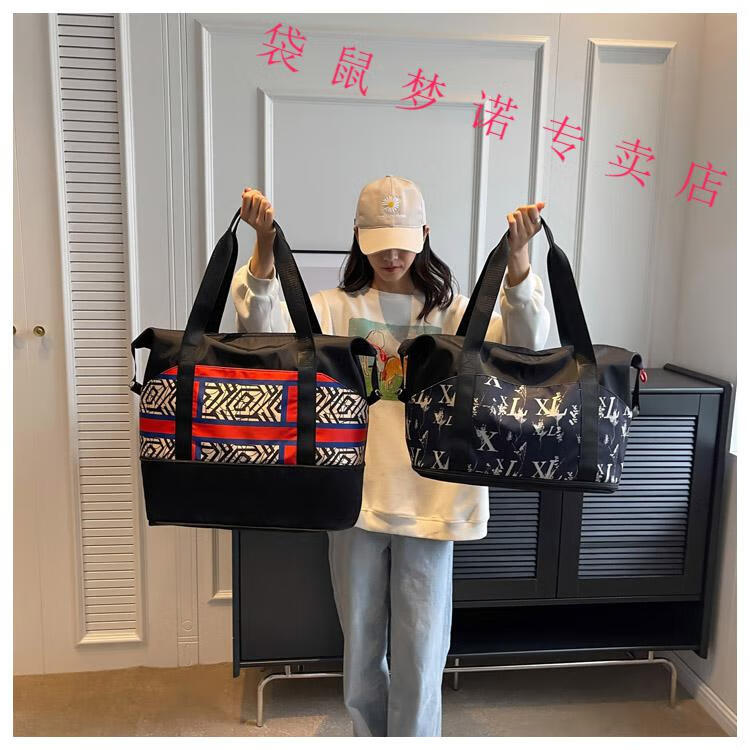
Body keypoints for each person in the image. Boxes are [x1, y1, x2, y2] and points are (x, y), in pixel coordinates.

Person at [230, 175, 551, 737]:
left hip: (435, 495)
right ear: (358, 237)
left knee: (423, 648)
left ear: (424, 235)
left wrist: (519, 261)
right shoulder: (332, 309)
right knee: (360, 644)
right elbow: (263, 337)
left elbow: (525, 348)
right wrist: (262, 249)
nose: (393, 256)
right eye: (379, 244)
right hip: (353, 494)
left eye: (402, 242)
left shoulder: (457, 314)